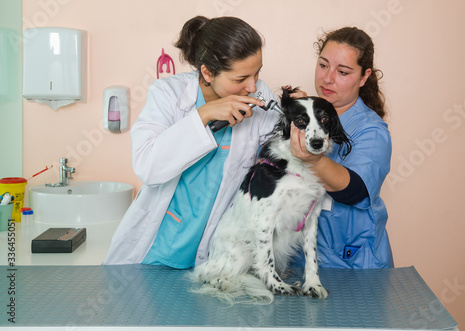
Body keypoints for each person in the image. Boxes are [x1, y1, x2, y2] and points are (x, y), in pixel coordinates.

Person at [104, 16, 280, 268]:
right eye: (240, 79)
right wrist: (204, 114)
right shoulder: (168, 94)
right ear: (207, 72)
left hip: (215, 252)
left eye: (257, 72)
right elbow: (149, 167)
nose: (252, 85)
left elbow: (282, 154)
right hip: (157, 248)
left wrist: (300, 115)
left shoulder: (259, 93)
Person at [289, 27, 394, 268]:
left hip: (352, 263)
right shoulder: (305, 115)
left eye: (343, 71)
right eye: (323, 65)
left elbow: (355, 190)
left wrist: (311, 158)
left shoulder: (371, 131)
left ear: (364, 77)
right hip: (300, 258)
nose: (327, 78)